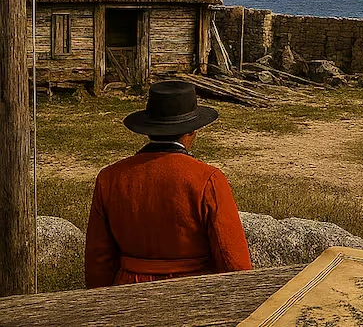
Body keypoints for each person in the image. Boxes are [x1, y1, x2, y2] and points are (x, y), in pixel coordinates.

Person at [85, 81, 252, 288]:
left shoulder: (109, 178)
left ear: (148, 129)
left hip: (127, 293)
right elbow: (233, 259)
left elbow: (98, 260)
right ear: (192, 132)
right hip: (194, 292)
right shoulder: (208, 179)